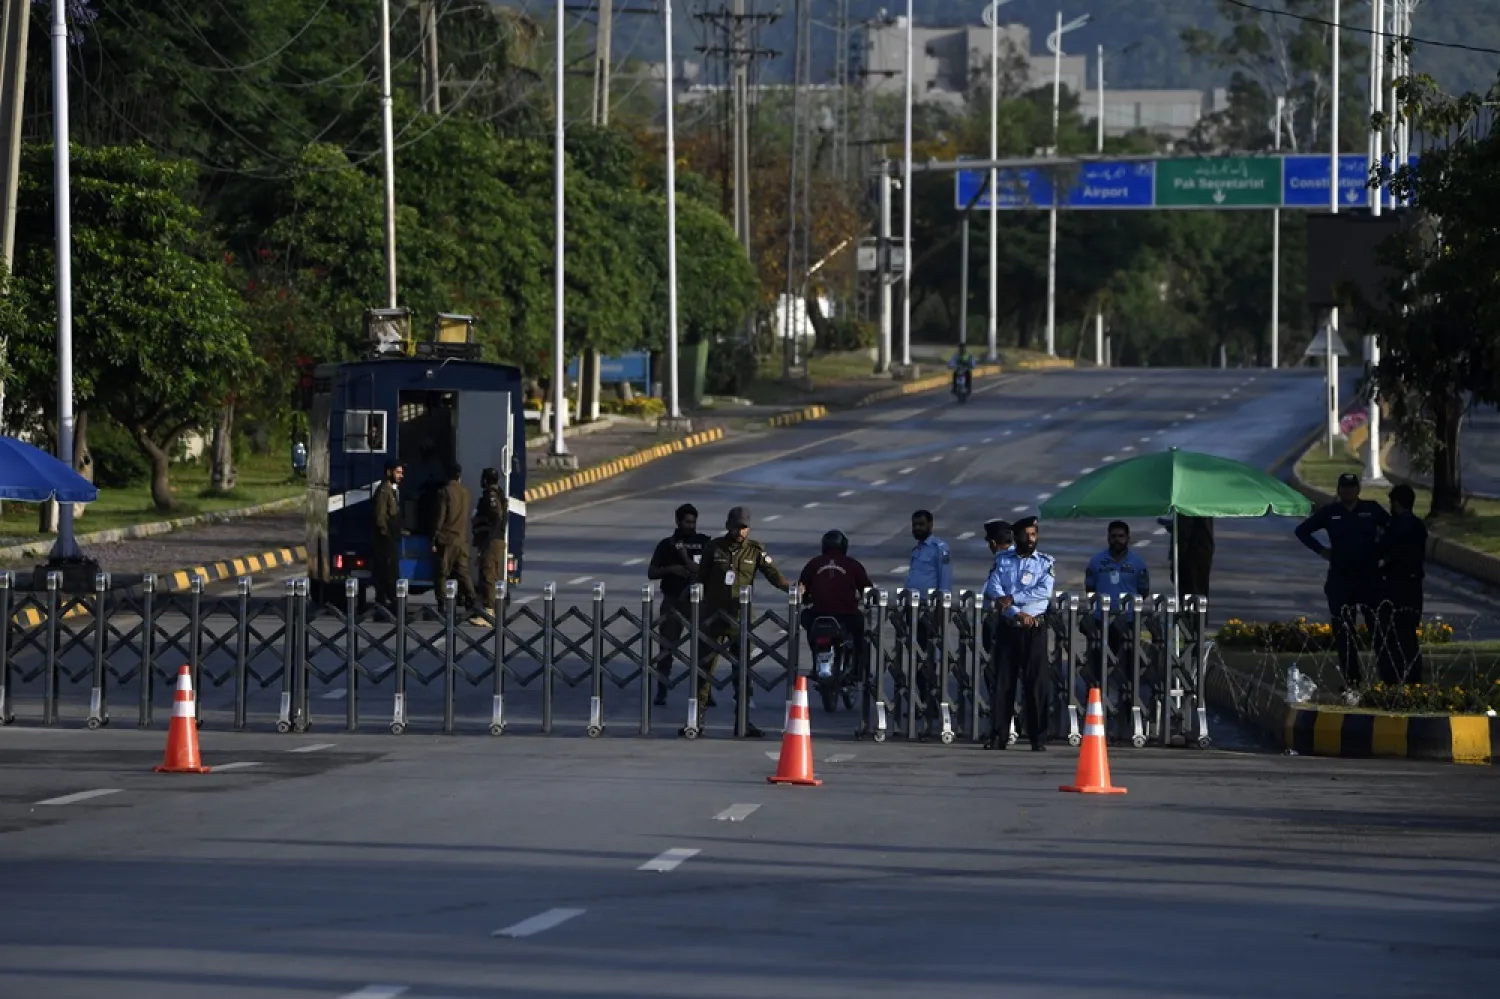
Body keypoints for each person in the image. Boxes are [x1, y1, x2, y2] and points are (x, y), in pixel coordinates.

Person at [693, 506, 792, 737]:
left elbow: (773, 575)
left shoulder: (756, 551)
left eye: (744, 527)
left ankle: (743, 720)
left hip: (741, 619)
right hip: (713, 616)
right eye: (737, 526)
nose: (740, 531)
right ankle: (696, 718)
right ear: (728, 525)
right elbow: (701, 577)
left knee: (743, 670)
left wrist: (792, 589)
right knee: (705, 667)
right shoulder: (713, 548)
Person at [1295, 472, 1390, 692]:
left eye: (1352, 487)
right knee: (1345, 633)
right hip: (1341, 579)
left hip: (1369, 579)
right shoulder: (1331, 513)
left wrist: (1382, 553)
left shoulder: (1372, 509)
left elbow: (1393, 530)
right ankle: (1352, 681)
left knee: (1378, 630)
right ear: (1338, 490)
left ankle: (1387, 679)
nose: (1348, 491)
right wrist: (1321, 550)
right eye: (1344, 487)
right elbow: (1302, 531)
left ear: (1358, 489)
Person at [983, 515, 1056, 751]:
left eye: (1034, 534)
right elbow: (994, 589)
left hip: (1034, 628)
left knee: (1036, 684)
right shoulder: (1003, 560)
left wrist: (1015, 598)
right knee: (1003, 683)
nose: (1031, 539)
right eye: (1027, 534)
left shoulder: (1045, 562)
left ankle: (1038, 737)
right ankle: (998, 736)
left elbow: (1043, 591)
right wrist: (1016, 612)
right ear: (1016, 536)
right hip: (1009, 627)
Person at [647, 504, 711, 707]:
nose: (690, 526)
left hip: (699, 602)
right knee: (667, 647)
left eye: (693, 522)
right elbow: (652, 572)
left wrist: (686, 560)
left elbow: (707, 570)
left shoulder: (704, 543)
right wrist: (671, 569)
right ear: (678, 522)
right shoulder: (667, 545)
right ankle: (662, 690)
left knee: (704, 648)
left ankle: (704, 691)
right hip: (673, 601)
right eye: (686, 522)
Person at [797, 530, 874, 681]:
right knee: (861, 631)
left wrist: (806, 599)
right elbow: (867, 588)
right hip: (846, 615)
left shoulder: (814, 563)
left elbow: (802, 586)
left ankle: (815, 661)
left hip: (818, 614)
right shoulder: (852, 565)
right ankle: (858, 670)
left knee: (808, 622)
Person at [904, 509, 953, 722]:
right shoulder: (916, 550)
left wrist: (941, 612)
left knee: (928, 659)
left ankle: (930, 703)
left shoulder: (939, 549)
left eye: (921, 525)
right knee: (915, 658)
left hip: (929, 610)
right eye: (915, 524)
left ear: (931, 525)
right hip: (912, 609)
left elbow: (945, 583)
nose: (917, 528)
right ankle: (918, 702)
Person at [1377, 483, 1427, 685]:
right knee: (1409, 635)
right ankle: (1414, 677)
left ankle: (1395, 678)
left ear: (1396, 503)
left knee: (1393, 634)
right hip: (1414, 587)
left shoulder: (1396, 526)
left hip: (1397, 586)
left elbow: (1383, 550)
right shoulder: (1418, 525)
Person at [1084, 521, 1151, 659]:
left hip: (1129, 620)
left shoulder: (1138, 562)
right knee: (1099, 661)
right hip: (1101, 618)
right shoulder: (1096, 561)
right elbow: (1090, 589)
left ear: (1128, 538)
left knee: (1128, 663)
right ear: (1108, 538)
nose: (1117, 540)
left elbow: (1143, 590)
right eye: (1114, 536)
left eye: (1121, 536)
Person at [432, 463, 482, 622]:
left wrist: (434, 537)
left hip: (447, 539)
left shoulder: (444, 492)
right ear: (459, 476)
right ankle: (473, 600)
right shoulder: (465, 492)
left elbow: (440, 517)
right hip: (461, 539)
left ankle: (442, 604)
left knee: (442, 572)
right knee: (463, 572)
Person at [472, 467, 509, 620]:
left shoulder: (491, 495)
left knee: (488, 574)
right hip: (493, 540)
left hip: (492, 540)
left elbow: (497, 516)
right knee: (491, 574)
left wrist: (487, 534)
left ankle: (489, 612)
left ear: (485, 480)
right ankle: (492, 608)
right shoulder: (497, 493)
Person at [371, 461, 404, 610]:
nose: (400, 476)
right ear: (388, 472)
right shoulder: (384, 491)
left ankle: (383, 606)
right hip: (385, 541)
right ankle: (392, 605)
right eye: (397, 472)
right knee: (389, 573)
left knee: (386, 575)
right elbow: (379, 517)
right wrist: (386, 535)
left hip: (390, 538)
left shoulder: (391, 491)